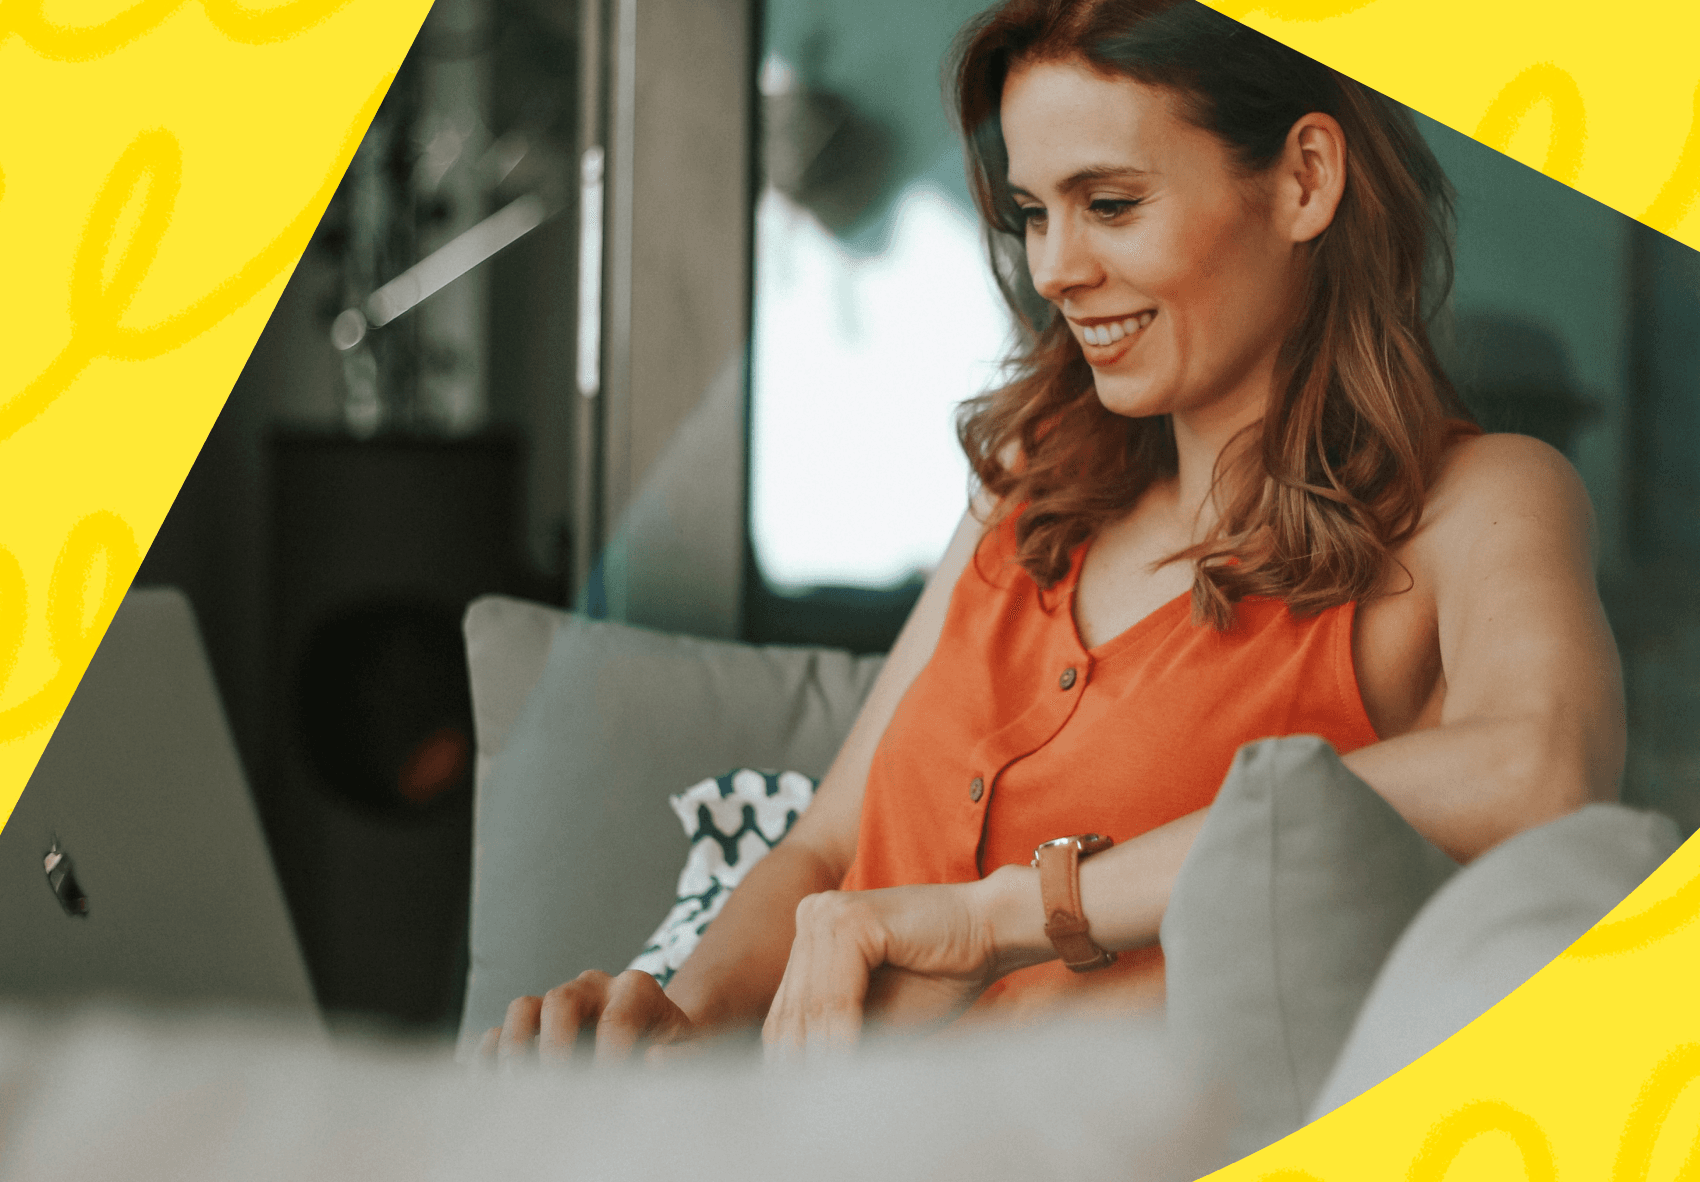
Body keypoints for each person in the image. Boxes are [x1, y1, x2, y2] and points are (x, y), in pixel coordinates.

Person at [484, 0, 1625, 1064]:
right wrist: (669, 1029)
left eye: (1110, 204)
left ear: (1304, 181)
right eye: (1034, 213)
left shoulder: (1476, 504)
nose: (1055, 270)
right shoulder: (1031, 483)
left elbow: (1539, 769)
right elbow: (827, 848)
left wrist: (1002, 918)